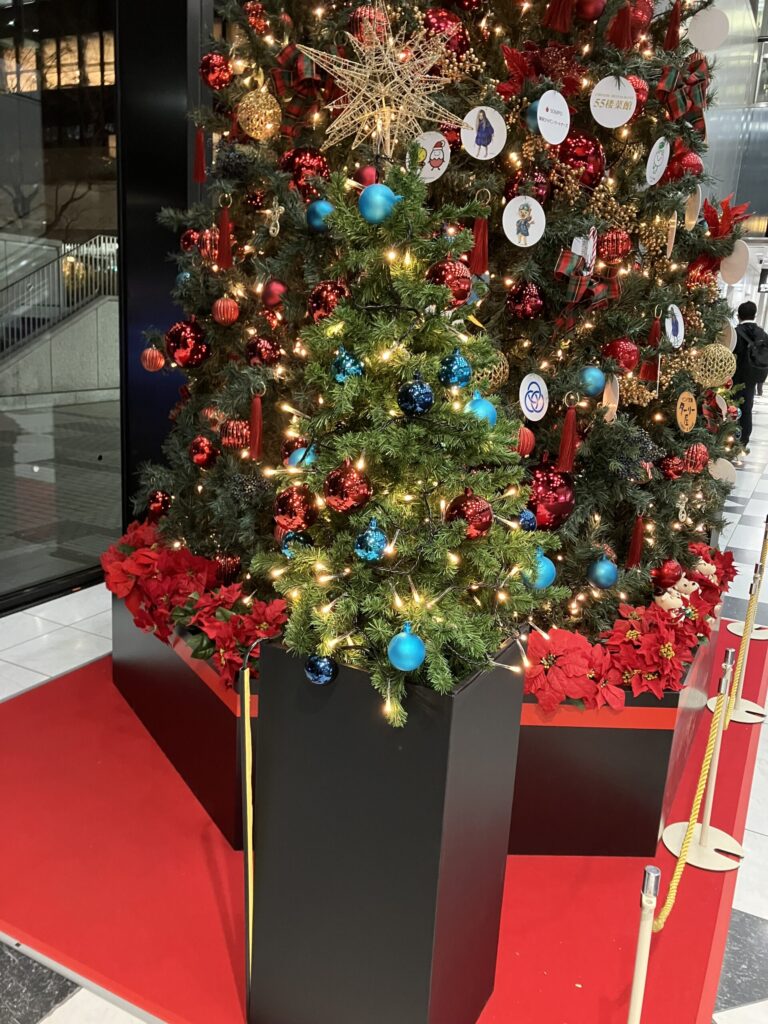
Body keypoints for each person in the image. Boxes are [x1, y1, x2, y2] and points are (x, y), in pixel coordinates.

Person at [733, 300, 768, 451]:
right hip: (752, 379)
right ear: (755, 315)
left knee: (731, 409)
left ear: (738, 315)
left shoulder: (735, 333)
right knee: (747, 410)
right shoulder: (763, 334)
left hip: (734, 379)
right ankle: (743, 442)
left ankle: (728, 439)